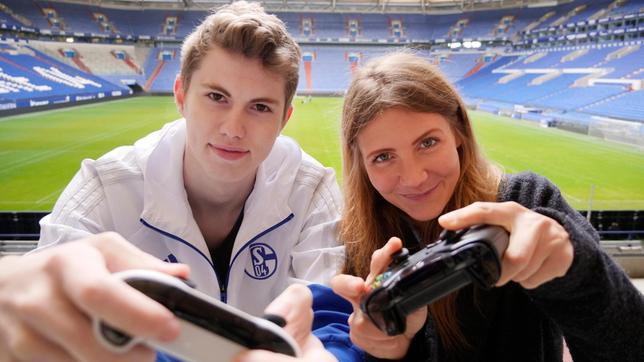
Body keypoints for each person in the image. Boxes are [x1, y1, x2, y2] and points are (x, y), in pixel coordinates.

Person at [1, 1, 349, 360]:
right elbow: (41, 310)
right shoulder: (104, 189)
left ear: (284, 119)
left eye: (260, 107)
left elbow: (335, 322)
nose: (233, 129)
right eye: (217, 97)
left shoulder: (312, 190)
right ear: (181, 96)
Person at [329, 51, 644, 361]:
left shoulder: (528, 203)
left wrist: (576, 271)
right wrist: (392, 349)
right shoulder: (361, 240)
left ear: (459, 132)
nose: (413, 178)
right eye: (383, 157)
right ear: (361, 164)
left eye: (427, 142)